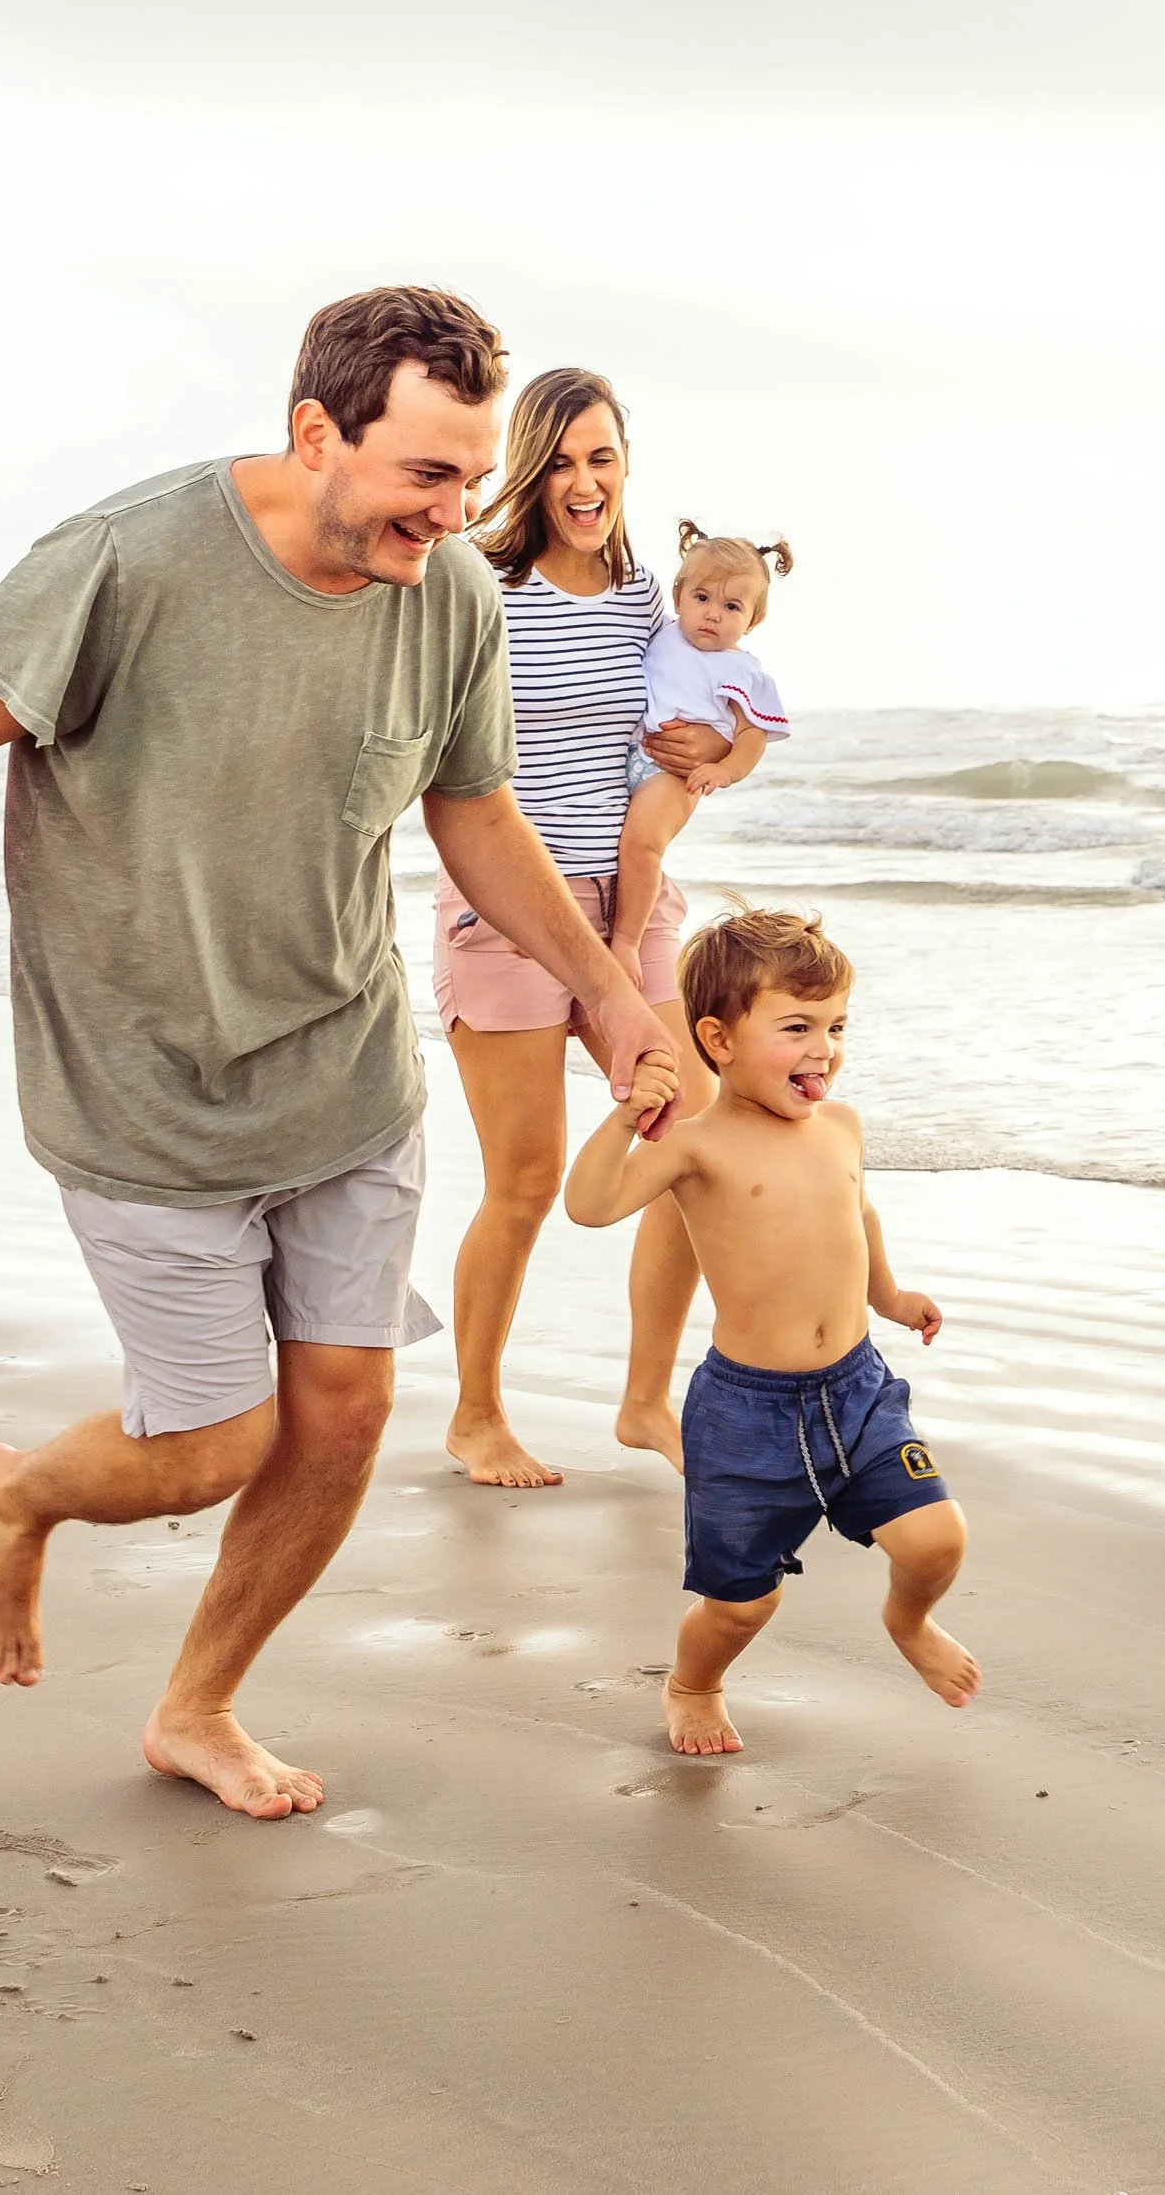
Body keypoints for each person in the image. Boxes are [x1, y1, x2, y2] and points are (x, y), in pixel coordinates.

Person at [0, 286, 681, 1821]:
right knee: (214, 1442)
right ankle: (17, 1493)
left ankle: (198, 1706)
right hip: (140, 1085)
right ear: (313, 432)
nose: (454, 513)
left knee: (342, 1414)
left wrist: (606, 991)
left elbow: (472, 812)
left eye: (473, 480)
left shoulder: (450, 599)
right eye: (425, 475)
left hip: (343, 1073)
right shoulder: (125, 561)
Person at [563, 906, 979, 1756]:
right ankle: (694, 1684)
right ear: (716, 1039)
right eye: (795, 1028)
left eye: (834, 1026)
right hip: (747, 1415)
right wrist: (622, 1118)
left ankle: (908, 1623)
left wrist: (890, 1296)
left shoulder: (841, 1127)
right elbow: (591, 1205)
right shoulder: (695, 1147)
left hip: (857, 1388)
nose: (822, 1048)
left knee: (936, 1538)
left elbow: (855, 1213)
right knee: (741, 1602)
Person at [433, 370, 728, 1489]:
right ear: (526, 468)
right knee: (525, 1179)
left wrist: (715, 762)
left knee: (688, 1143)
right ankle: (475, 1415)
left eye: (598, 457)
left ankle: (646, 1399)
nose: (581, 482)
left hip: (630, 906)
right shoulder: (478, 587)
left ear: (623, 466)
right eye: (558, 460)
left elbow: (698, 725)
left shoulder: (650, 595)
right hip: (507, 907)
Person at [609, 522, 794, 989]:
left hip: (674, 775)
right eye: (702, 598)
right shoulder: (662, 635)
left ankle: (627, 941)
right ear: (678, 597)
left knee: (641, 846)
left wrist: (722, 769)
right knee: (617, 847)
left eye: (732, 607)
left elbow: (751, 735)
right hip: (634, 752)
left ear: (753, 620)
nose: (713, 615)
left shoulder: (738, 669)